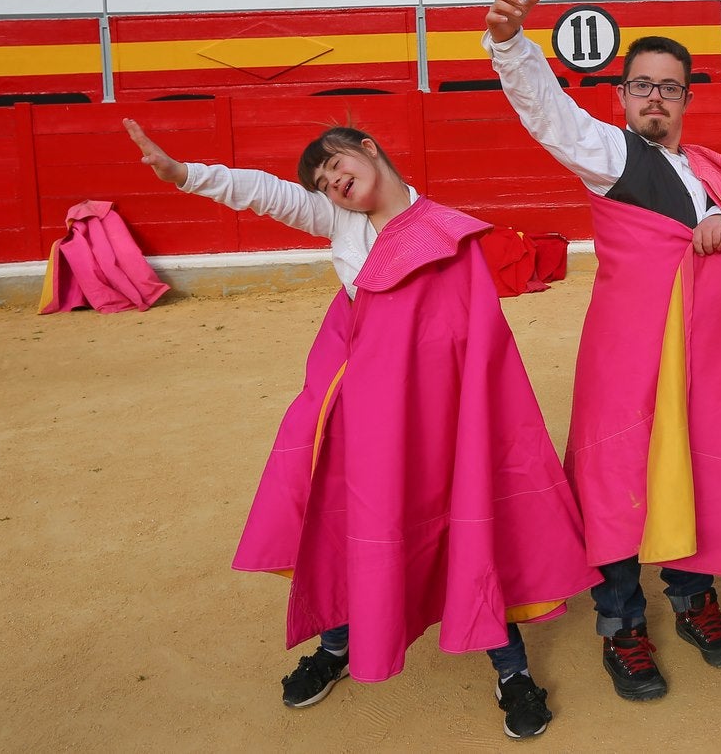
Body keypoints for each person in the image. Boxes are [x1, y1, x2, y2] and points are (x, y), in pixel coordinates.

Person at [122, 118, 598, 740]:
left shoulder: (452, 229)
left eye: (337, 164)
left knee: (467, 518)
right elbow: (268, 193)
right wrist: (186, 175)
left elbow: (479, 325)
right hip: (359, 409)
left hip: (439, 410)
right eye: (323, 182)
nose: (334, 183)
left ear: (369, 147)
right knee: (349, 523)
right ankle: (340, 644)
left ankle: (511, 671)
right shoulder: (340, 223)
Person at [481, 0, 721, 703]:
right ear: (622, 96)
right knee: (617, 480)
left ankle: (691, 595)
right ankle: (621, 623)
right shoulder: (611, 154)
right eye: (643, 85)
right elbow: (550, 118)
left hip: (700, 362)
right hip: (630, 354)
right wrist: (513, 46)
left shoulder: (705, 171)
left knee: (689, 470)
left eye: (670, 88)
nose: (656, 99)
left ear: (687, 99)